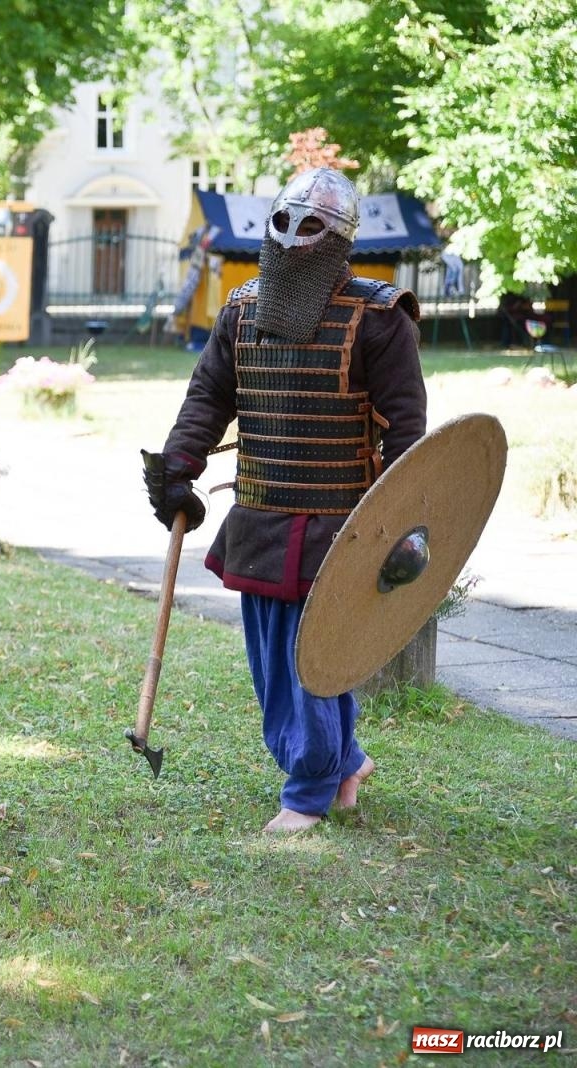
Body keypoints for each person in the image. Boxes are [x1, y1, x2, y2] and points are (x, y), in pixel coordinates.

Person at [144, 167, 427, 833]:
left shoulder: (379, 320)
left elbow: (408, 434)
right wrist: (178, 468)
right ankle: (345, 760)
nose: (296, 239)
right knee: (275, 660)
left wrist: (401, 524)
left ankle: (309, 787)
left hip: (341, 525)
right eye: (286, 223)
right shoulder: (243, 312)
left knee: (313, 657)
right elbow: (208, 399)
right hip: (263, 514)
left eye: (313, 228)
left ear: (340, 240)